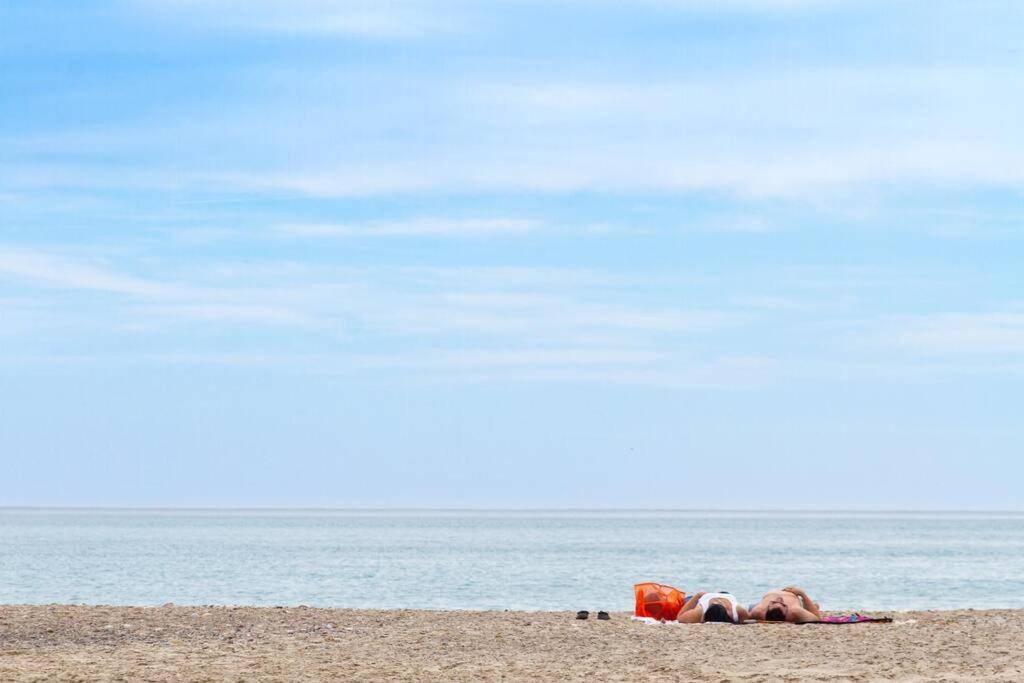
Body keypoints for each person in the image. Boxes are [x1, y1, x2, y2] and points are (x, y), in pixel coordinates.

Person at [748, 586, 821, 623]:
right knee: (815, 605)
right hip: (797, 602)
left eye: (773, 602)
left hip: (758, 604)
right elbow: (816, 618)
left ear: (768, 606)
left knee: (751, 606)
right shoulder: (794, 611)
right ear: (787, 610)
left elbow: (743, 616)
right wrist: (801, 593)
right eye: (784, 605)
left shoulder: (759, 611)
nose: (779, 599)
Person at [676, 591, 749, 623]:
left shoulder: (699, 612)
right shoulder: (738, 611)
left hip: (706, 596)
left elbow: (680, 617)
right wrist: (698, 596)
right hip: (705, 597)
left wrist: (698, 595)